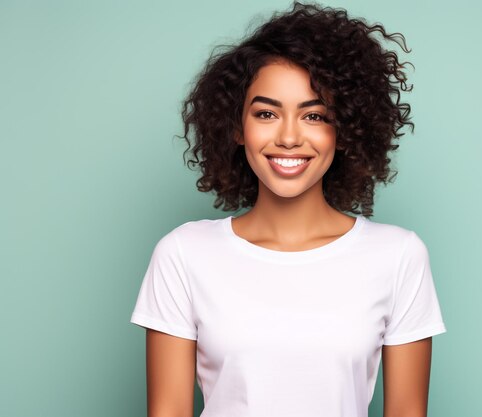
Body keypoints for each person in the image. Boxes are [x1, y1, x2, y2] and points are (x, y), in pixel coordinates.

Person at [129, 2, 446, 416]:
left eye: (314, 115)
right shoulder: (183, 254)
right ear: (237, 127)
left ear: (345, 130)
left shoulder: (399, 256)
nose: (289, 137)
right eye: (266, 113)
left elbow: (407, 411)